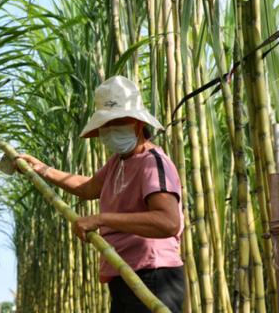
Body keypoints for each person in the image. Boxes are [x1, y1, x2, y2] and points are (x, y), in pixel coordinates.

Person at [18, 75, 185, 313]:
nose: (108, 132)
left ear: (137, 124)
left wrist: (101, 219)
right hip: (124, 273)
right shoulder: (118, 162)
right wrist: (42, 169)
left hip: (154, 274)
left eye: (115, 124)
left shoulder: (152, 163)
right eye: (105, 126)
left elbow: (168, 222)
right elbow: (89, 188)